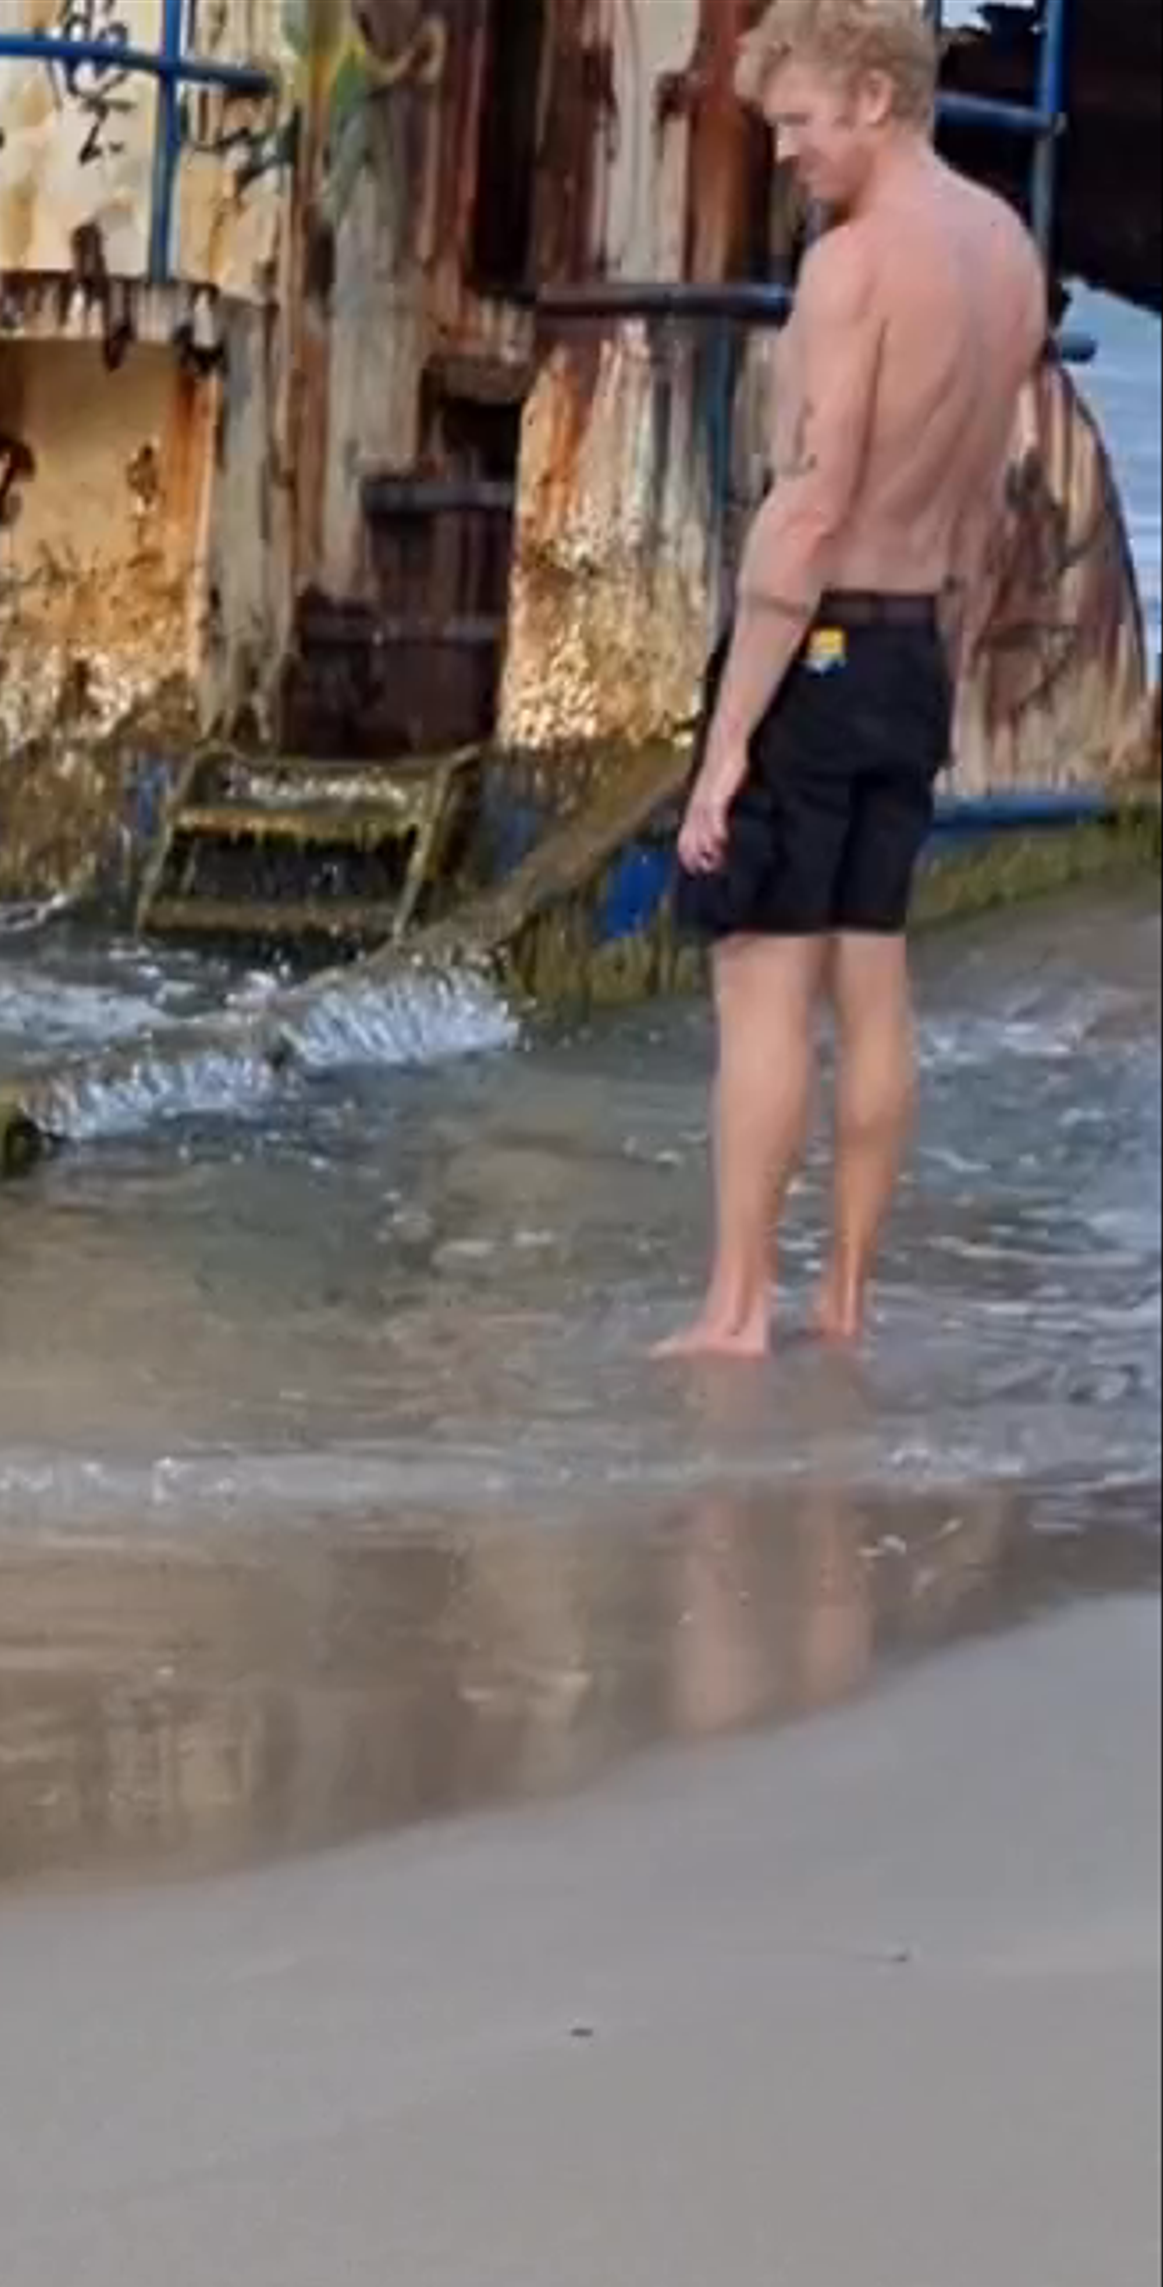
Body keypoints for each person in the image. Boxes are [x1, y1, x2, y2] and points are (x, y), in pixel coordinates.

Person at [662, 0, 1047, 1357]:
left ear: (877, 100)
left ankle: (738, 1309)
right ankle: (845, 1302)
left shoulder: (854, 268)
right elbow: (998, 500)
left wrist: (725, 745)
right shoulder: (1007, 251)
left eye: (800, 123)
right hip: (910, 658)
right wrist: (941, 657)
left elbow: (809, 514)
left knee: (763, 977)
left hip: (819, 647)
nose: (784, 154)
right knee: (873, 974)